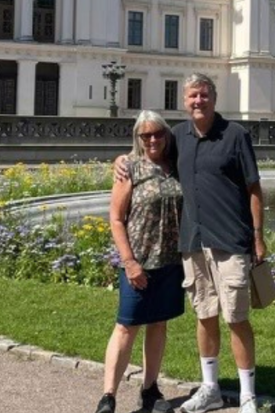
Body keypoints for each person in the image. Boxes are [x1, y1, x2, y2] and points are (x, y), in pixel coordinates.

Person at [121, 73, 265, 413]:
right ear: (184, 102)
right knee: (205, 315)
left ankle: (247, 394)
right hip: (194, 242)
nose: (197, 101)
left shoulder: (235, 135)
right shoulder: (178, 136)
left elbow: (254, 188)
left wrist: (258, 236)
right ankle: (210, 388)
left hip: (230, 239)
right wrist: (121, 160)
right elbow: (148, 146)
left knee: (237, 317)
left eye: (203, 95)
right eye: (191, 97)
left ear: (214, 98)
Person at [97, 110, 184, 413]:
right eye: (145, 135)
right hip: (138, 261)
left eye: (158, 133)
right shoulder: (129, 168)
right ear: (137, 138)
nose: (152, 139)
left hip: (170, 261)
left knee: (158, 324)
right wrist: (129, 261)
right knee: (126, 326)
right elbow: (116, 218)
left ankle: (149, 388)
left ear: (167, 135)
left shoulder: (175, 166)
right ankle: (108, 396)